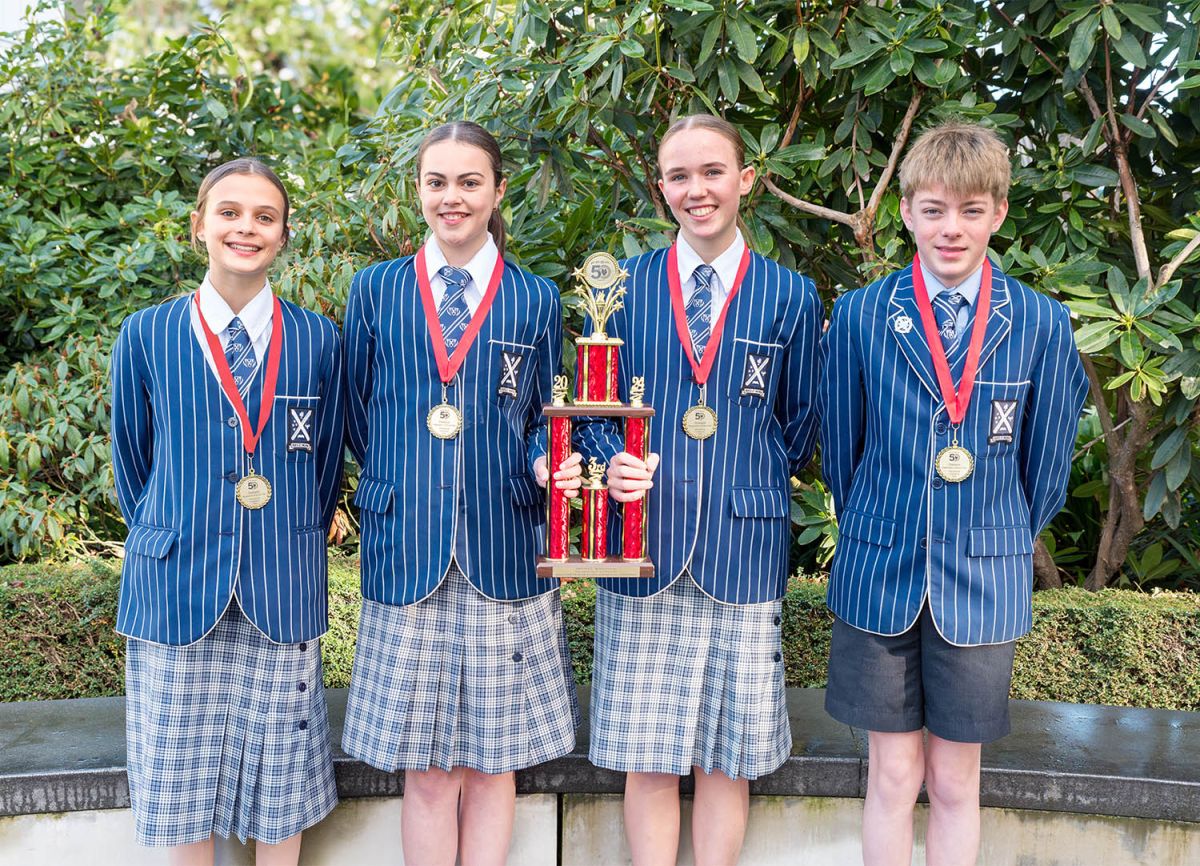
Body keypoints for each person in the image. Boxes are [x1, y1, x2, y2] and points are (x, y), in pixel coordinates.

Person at [819, 120, 1088, 866]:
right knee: (893, 772)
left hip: (983, 579)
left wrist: (993, 531)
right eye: (934, 209)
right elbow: (842, 451)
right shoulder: (862, 315)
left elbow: (1047, 465)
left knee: (956, 779)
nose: (951, 228)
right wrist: (883, 521)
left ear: (999, 213)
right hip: (880, 571)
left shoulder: (1038, 321)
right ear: (906, 211)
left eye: (971, 210)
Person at [576, 113, 823, 866]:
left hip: (741, 549)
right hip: (642, 545)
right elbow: (591, 411)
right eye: (679, 176)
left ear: (745, 180)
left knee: (728, 756)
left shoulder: (790, 295)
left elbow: (801, 422)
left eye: (712, 171)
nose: (697, 189)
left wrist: (743, 478)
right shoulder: (621, 286)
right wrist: (611, 458)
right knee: (647, 758)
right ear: (661, 188)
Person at [340, 120, 583, 866]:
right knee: (428, 768)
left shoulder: (536, 300)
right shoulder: (376, 290)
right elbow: (357, 412)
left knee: (493, 763)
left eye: (469, 182)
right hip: (407, 546)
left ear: (497, 190)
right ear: (419, 190)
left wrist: (547, 462)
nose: (452, 197)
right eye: (437, 182)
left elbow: (552, 414)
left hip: (501, 545)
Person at [110, 157, 345, 866]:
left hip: (281, 577)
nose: (246, 227)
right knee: (180, 776)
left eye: (264, 217)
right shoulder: (146, 335)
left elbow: (327, 463)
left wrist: (287, 527)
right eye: (230, 213)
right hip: (178, 583)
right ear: (199, 226)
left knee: (283, 775)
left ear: (283, 235)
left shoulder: (317, 339)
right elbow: (133, 465)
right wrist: (174, 525)